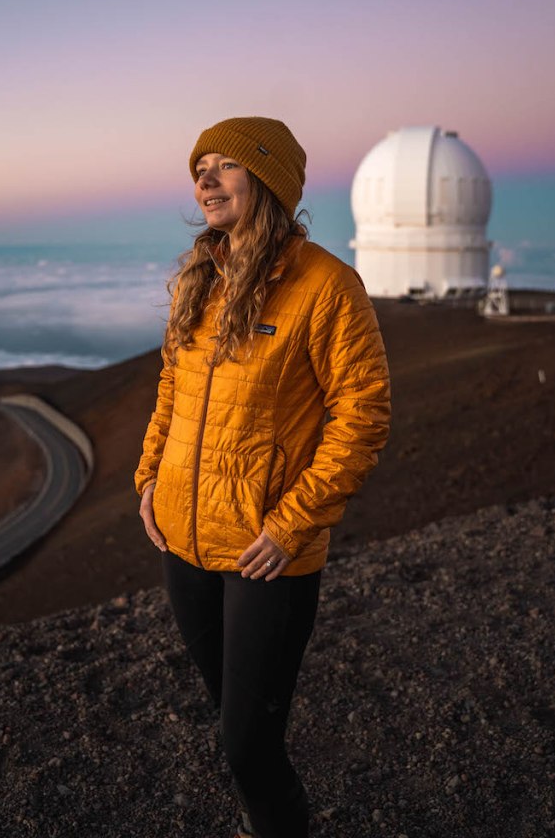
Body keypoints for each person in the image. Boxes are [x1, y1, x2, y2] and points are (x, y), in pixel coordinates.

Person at [135, 116, 391, 838]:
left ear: (269, 180)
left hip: (265, 554)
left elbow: (362, 416)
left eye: (225, 165)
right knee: (234, 730)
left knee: (247, 744)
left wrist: (292, 524)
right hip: (183, 544)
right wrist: (148, 478)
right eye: (199, 167)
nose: (204, 180)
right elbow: (171, 390)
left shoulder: (325, 287)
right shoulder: (201, 278)